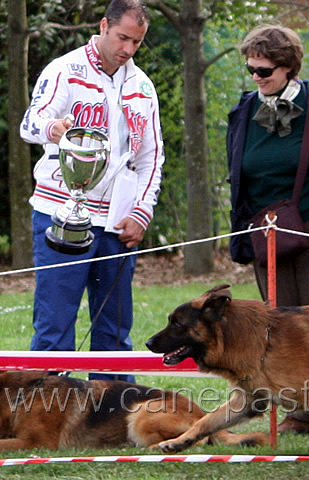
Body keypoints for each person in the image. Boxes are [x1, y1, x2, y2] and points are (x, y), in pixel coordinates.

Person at [227, 24, 309, 434]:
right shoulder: (243, 109)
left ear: (288, 68)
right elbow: (237, 170)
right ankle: (299, 413)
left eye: (264, 70)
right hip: (262, 229)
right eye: (251, 69)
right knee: (278, 326)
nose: (256, 77)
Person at [20, 0, 164, 382]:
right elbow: (29, 122)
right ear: (103, 26)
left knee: (114, 329)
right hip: (61, 213)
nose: (129, 49)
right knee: (54, 325)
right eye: (123, 38)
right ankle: (46, 410)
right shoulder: (64, 70)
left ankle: (112, 414)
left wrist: (141, 212)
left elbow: (152, 156)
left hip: (117, 220)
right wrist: (52, 129)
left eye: (137, 42)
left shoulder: (143, 86)